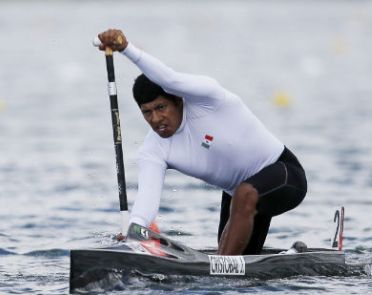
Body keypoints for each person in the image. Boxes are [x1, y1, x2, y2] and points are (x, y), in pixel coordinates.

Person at [96, 29, 307, 255]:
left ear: (177, 100)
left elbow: (169, 79)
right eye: (147, 112)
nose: (155, 119)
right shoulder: (153, 149)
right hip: (239, 198)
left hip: (285, 176)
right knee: (235, 260)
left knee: (241, 204)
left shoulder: (208, 99)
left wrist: (127, 49)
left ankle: (222, 266)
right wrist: (133, 230)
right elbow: (146, 201)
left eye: (160, 107)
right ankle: (294, 254)